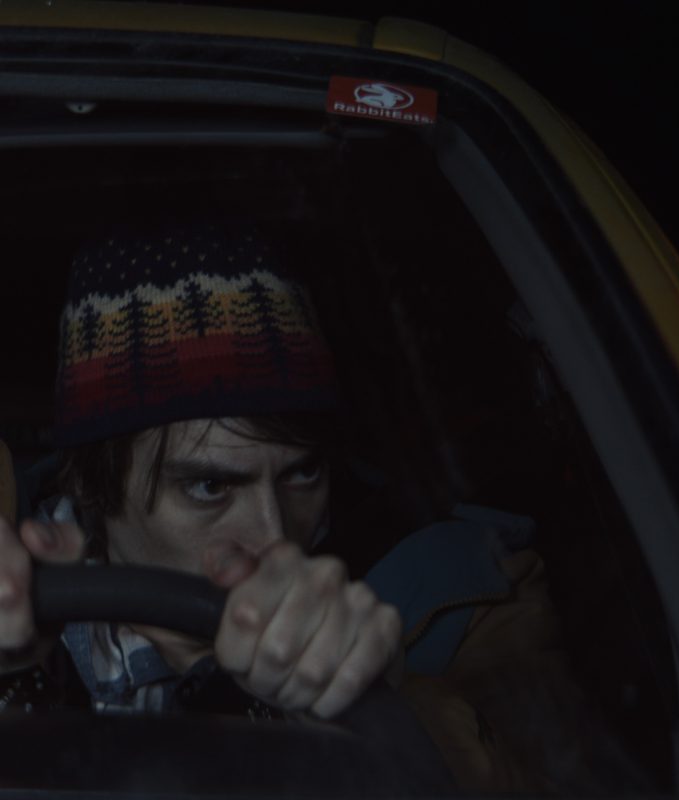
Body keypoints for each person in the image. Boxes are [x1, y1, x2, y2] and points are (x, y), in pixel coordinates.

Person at [0, 222, 631, 792]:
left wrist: (378, 702)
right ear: (94, 486)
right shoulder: (13, 573)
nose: (276, 537)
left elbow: (549, 777)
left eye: (302, 474)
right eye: (210, 487)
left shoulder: (459, 593)